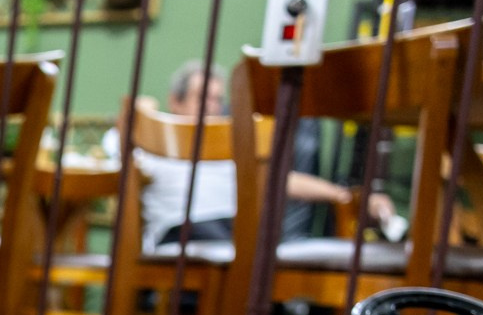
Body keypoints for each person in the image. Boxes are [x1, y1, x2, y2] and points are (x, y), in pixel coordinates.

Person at [114, 60, 391, 249]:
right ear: (175, 101)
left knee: (260, 243)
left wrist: (345, 195)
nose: (212, 107)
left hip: (234, 228)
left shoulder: (228, 145)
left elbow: (282, 180)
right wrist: (139, 115)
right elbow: (121, 144)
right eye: (203, 98)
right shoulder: (152, 141)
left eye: (217, 99)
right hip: (180, 229)